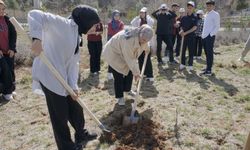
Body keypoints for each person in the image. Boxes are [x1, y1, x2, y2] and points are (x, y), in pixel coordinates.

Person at [28, 5, 100, 150]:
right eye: (94, 25)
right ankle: (66, 146)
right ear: (86, 21)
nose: (95, 29)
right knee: (59, 115)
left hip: (64, 77)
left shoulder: (77, 34)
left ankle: (81, 134)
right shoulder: (63, 24)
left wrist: (73, 86)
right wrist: (36, 38)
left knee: (76, 108)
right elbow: (35, 14)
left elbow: (73, 64)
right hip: (49, 76)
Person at [103, 25, 153, 105]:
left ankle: (127, 90)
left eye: (146, 41)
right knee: (118, 75)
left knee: (129, 71)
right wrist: (137, 73)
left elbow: (145, 44)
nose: (144, 42)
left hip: (125, 54)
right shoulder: (129, 40)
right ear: (140, 34)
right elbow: (131, 60)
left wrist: (147, 49)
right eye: (143, 40)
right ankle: (120, 97)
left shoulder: (142, 37)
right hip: (114, 53)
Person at [131, 7, 154, 82]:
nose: (142, 14)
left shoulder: (148, 20)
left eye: (143, 13)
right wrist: (138, 16)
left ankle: (150, 75)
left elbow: (152, 22)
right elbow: (132, 23)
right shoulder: (138, 20)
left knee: (147, 59)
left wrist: (146, 16)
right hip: (139, 42)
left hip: (146, 42)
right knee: (140, 58)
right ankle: (143, 73)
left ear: (146, 13)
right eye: (141, 13)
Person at [0, 0, 17, 101]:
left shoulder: (7, 20)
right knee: (4, 72)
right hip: (0, 53)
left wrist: (12, 48)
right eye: (0, 9)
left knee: (10, 71)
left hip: (8, 52)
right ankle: (6, 92)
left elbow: (13, 34)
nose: (2, 11)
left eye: (3, 9)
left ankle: (10, 89)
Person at [201, 0, 220, 75]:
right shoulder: (206, 14)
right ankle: (207, 67)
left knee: (209, 53)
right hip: (204, 36)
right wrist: (203, 36)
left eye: (210, 5)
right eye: (207, 6)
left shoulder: (215, 14)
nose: (208, 7)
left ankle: (209, 70)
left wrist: (211, 35)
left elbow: (217, 26)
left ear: (213, 6)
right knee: (206, 53)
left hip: (209, 37)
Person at [179, 1, 197, 71]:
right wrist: (181, 31)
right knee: (183, 51)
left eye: (191, 7)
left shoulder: (195, 17)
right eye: (188, 7)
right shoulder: (184, 18)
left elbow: (194, 28)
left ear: (193, 8)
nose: (189, 8)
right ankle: (183, 64)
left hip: (191, 37)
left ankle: (190, 64)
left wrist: (185, 33)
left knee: (191, 51)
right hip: (184, 37)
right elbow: (181, 26)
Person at [107, 10, 124, 80]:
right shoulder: (110, 24)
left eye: (118, 16)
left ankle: (117, 72)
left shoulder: (121, 23)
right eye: (115, 16)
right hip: (111, 43)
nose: (117, 17)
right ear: (113, 16)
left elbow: (121, 32)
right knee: (111, 58)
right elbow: (110, 32)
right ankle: (109, 73)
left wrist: (117, 32)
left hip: (119, 43)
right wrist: (117, 32)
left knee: (118, 58)